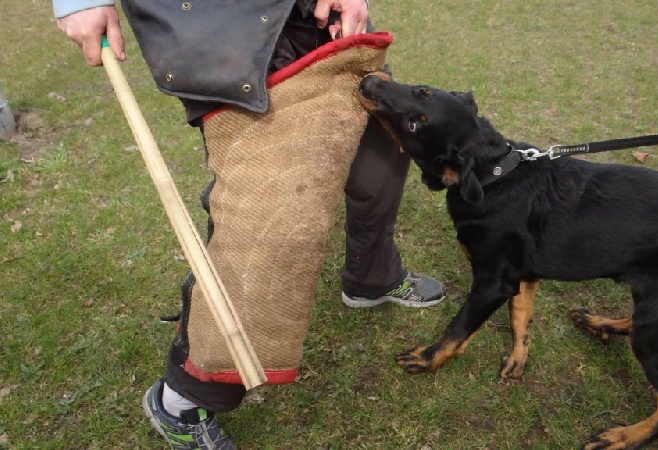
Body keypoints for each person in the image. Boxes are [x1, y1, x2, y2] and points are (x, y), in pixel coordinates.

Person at [53, 1, 445, 448]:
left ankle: (371, 278)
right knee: (266, 217)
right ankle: (182, 399)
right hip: (224, 30)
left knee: (380, 157)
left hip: (321, 19)